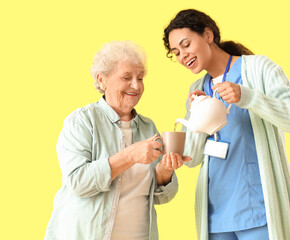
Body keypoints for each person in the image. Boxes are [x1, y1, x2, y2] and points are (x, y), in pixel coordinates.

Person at [163, 9, 290, 240]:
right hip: (216, 216)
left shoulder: (258, 69)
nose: (183, 55)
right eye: (176, 52)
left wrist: (248, 97)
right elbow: (192, 158)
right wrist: (195, 115)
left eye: (186, 44)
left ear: (208, 35)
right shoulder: (197, 90)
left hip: (259, 212)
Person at [45, 40, 191, 240]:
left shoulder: (148, 127)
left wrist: (165, 171)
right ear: (102, 80)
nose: (136, 85)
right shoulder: (82, 121)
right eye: (126, 77)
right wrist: (130, 156)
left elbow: (163, 196)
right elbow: (78, 182)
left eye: (140, 78)